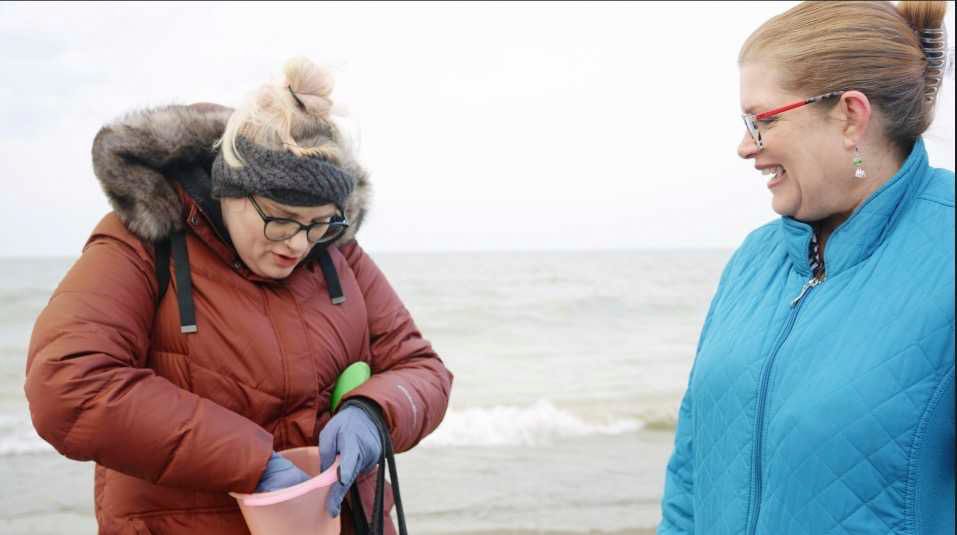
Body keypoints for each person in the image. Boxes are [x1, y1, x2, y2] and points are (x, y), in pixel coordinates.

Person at [25, 57, 453, 535]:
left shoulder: (337, 253)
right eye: (280, 218)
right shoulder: (143, 244)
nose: (297, 243)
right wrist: (250, 461)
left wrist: (374, 414)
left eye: (318, 222)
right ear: (229, 190)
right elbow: (67, 386)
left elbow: (423, 369)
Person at [658, 2, 954, 534]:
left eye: (763, 120)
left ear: (850, 115)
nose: (747, 146)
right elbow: (689, 471)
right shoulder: (753, 261)